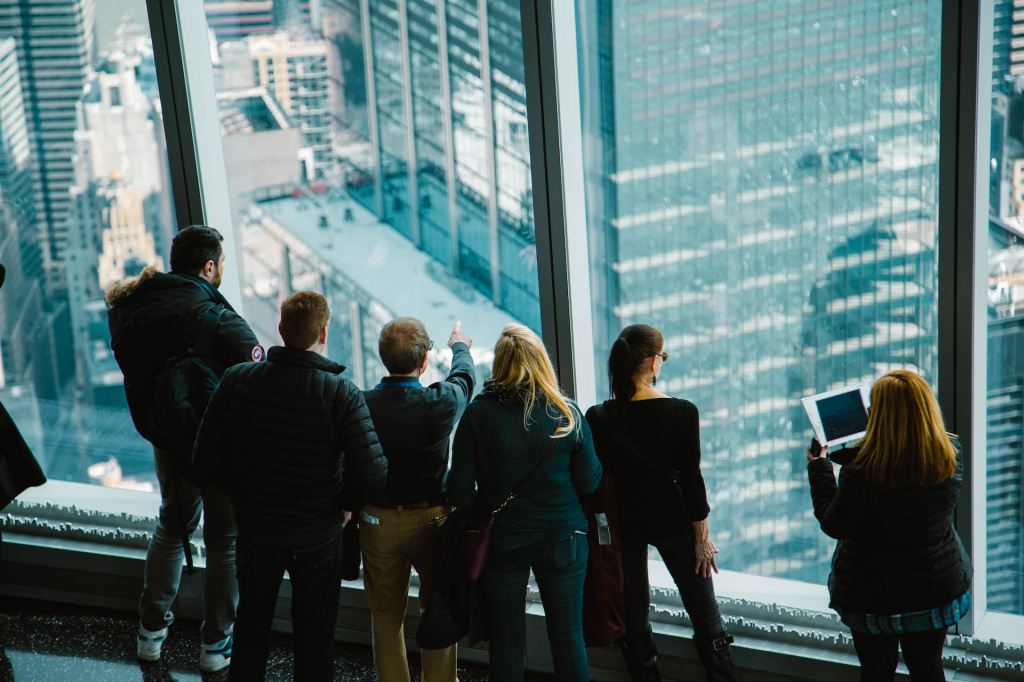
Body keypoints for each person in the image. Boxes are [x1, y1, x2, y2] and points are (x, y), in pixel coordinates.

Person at [192, 291, 388, 681]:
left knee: (250, 628)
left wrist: (240, 493)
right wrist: (345, 506)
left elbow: (203, 459)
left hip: (255, 529)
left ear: (280, 329)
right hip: (316, 534)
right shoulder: (340, 393)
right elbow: (373, 472)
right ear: (324, 333)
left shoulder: (237, 379)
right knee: (315, 639)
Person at [106, 225, 262, 672]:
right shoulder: (217, 318)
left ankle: (150, 635)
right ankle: (216, 646)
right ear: (210, 266)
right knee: (224, 541)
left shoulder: (134, 305)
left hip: (166, 438)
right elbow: (259, 373)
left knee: (172, 527)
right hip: (218, 447)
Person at [448, 323, 602, 682]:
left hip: (503, 541)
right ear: (541, 362)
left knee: (506, 642)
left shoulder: (478, 415)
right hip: (564, 537)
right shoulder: (567, 414)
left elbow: (457, 490)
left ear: (500, 364)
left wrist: (487, 505)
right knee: (568, 638)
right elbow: (590, 481)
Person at [585, 324, 736, 682]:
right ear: (654, 361)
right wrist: (702, 539)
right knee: (704, 612)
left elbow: (596, 480)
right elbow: (692, 481)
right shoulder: (683, 412)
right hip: (675, 523)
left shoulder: (598, 417)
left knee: (634, 615)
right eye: (662, 357)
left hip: (626, 526)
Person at [807, 370, 971, 682]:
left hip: (873, 598)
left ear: (879, 416)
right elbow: (897, 463)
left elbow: (833, 523)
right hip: (935, 590)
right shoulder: (950, 454)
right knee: (927, 668)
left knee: (877, 673)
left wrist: (820, 468)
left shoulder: (860, 475)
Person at [360, 317, 475, 682]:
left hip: (377, 521)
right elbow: (465, 379)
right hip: (431, 521)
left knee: (385, 614)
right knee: (436, 607)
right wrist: (459, 345)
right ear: (424, 362)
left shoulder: (360, 405)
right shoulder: (438, 404)